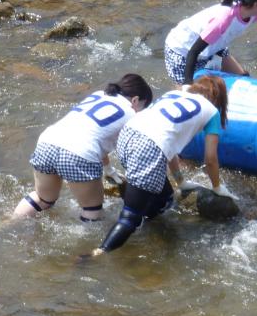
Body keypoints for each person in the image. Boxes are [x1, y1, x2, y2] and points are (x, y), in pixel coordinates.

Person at [93, 75, 233, 254]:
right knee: (130, 217)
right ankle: (98, 253)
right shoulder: (212, 111)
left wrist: (180, 181)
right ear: (218, 99)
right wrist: (217, 187)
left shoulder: (175, 94)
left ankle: (145, 225)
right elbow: (211, 159)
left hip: (128, 134)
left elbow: (169, 143)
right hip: (149, 146)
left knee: (165, 198)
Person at [13, 74, 153, 221]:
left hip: (47, 142)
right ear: (135, 100)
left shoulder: (99, 94)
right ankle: (87, 243)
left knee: (42, 199)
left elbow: (97, 134)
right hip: (79, 153)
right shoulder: (132, 114)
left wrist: (108, 170)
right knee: (92, 210)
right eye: (142, 107)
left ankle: (10, 222)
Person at [164, 0, 257, 86]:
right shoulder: (223, 20)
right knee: (188, 94)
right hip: (183, 50)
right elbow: (193, 51)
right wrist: (187, 85)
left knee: (244, 78)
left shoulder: (253, 15)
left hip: (214, 45)